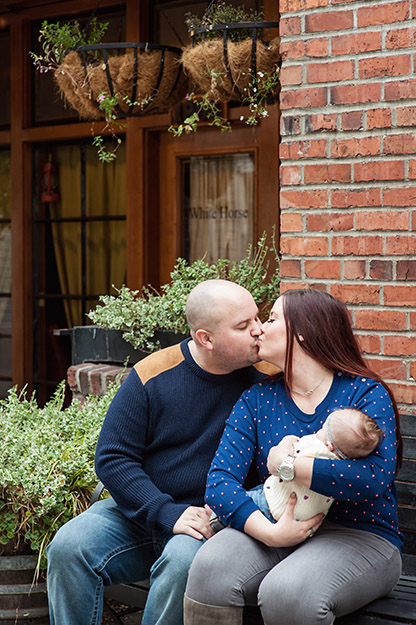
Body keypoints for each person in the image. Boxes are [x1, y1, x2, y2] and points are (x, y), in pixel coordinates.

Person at [46, 279, 277, 625]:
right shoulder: (152, 374)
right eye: (244, 326)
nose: (259, 331)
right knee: (68, 547)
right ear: (206, 339)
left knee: (182, 565)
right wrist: (164, 511)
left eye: (258, 319)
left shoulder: (268, 378)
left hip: (213, 519)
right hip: (143, 512)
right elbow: (113, 457)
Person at [184, 288, 404, 625]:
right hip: (274, 524)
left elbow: (372, 479)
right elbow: (219, 482)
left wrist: (286, 466)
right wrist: (270, 533)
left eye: (271, 319)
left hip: (360, 535)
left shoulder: (364, 393)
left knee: (286, 592)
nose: (259, 329)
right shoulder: (257, 400)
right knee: (209, 566)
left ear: (302, 331)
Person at [247, 407, 384, 523]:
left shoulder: (316, 447)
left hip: (272, 502)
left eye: (323, 428)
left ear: (329, 446)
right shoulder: (341, 467)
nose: (318, 430)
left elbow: (284, 457)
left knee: (234, 506)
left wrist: (287, 440)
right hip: (301, 520)